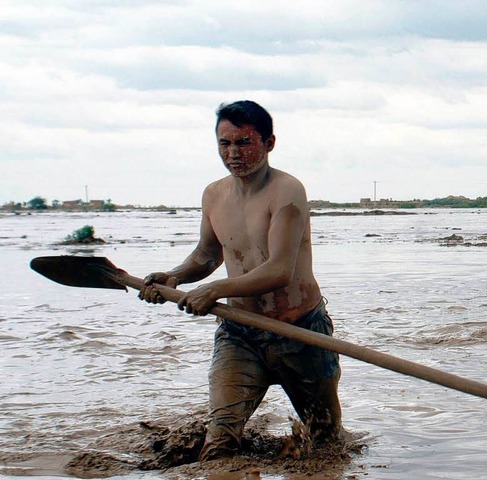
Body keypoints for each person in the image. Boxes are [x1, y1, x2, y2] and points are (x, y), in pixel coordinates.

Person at [138, 100, 342, 460]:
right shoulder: (214, 195)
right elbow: (207, 255)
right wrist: (175, 276)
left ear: (269, 143)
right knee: (219, 442)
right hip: (240, 333)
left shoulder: (286, 191)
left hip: (300, 332)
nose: (234, 153)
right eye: (225, 144)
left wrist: (215, 289)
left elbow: (279, 270)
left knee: (326, 443)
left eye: (244, 142)